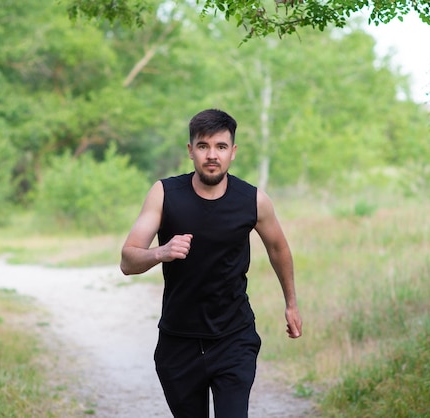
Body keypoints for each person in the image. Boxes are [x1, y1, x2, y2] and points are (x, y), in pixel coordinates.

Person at [120, 108, 302, 418]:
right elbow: (128, 259)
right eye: (203, 146)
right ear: (191, 151)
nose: (212, 155)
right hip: (178, 341)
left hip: (234, 337)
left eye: (220, 146)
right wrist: (160, 252)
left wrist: (291, 304)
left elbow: (278, 248)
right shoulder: (164, 194)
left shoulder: (253, 200)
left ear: (233, 152)